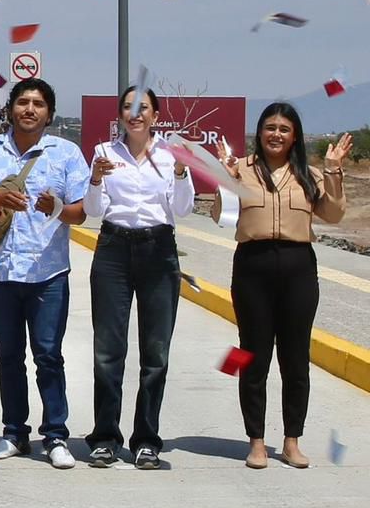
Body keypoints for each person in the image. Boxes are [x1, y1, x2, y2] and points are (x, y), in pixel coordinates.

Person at [0, 77, 90, 469]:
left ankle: (55, 436)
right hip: (0, 272)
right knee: (9, 356)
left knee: (48, 356)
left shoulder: (66, 153)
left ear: (49, 114)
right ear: (10, 109)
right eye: (23, 102)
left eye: (38, 104)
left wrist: (55, 207)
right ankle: (14, 433)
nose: (29, 109)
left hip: (48, 274)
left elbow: (80, 213)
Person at [217, 104, 348, 469]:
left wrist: (334, 170)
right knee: (252, 356)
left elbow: (334, 214)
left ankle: (292, 441)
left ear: (295, 137)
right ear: (260, 132)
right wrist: (226, 181)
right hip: (252, 267)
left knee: (295, 359)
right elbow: (221, 217)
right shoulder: (241, 169)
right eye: (270, 127)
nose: (276, 134)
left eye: (284, 129)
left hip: (298, 269)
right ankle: (256, 442)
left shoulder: (310, 174)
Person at [83, 86, 194, 470]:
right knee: (108, 351)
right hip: (113, 250)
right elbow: (94, 210)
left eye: (143, 108)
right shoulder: (104, 152)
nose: (136, 114)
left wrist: (181, 172)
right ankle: (105, 437)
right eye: (129, 108)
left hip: (158, 251)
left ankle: (146, 439)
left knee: (156, 352)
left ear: (155, 116)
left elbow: (183, 208)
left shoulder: (170, 154)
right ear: (120, 116)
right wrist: (95, 180)